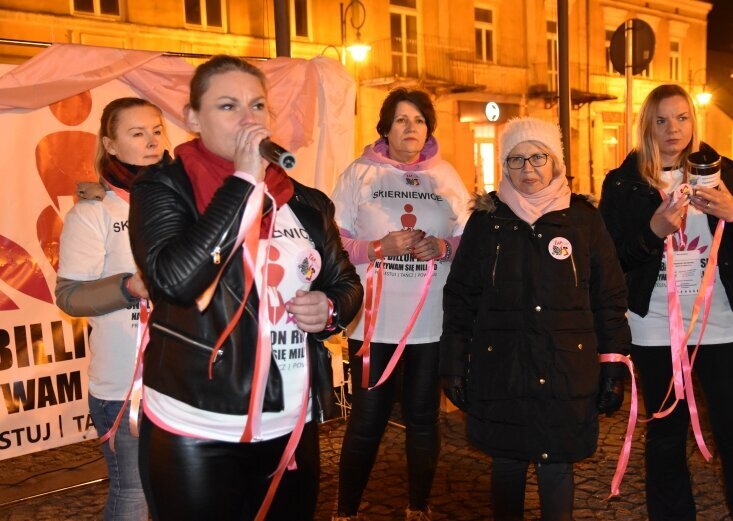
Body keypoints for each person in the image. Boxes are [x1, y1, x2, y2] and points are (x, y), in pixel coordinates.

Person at [127, 55, 363, 521]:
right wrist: (243, 181)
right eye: (229, 106)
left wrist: (331, 309)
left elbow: (345, 283)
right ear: (193, 118)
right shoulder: (162, 187)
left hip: (291, 420)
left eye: (257, 105)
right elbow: (175, 282)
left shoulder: (306, 202)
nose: (249, 118)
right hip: (197, 425)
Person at [599, 84, 733, 520]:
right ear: (647, 126)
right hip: (655, 326)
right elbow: (611, 261)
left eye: (681, 118)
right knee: (664, 436)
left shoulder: (723, 172)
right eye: (661, 120)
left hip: (722, 323)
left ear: (693, 123)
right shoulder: (624, 183)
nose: (672, 129)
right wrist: (652, 233)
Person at [440, 117, 631, 521]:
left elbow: (609, 297)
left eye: (538, 157)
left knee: (556, 461)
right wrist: (455, 366)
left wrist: (613, 366)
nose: (528, 170)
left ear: (556, 162)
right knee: (507, 460)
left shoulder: (584, 220)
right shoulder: (487, 221)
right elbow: (460, 299)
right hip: (502, 366)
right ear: (504, 166)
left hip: (567, 367)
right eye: (516, 159)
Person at [330, 88, 470, 521]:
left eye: (419, 120)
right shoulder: (359, 174)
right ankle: (346, 510)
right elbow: (333, 242)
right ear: (386, 128)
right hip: (375, 320)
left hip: (430, 320)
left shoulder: (446, 175)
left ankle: (418, 506)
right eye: (402, 120)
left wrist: (443, 247)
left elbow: (470, 241)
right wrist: (377, 246)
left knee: (425, 417)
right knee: (368, 417)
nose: (411, 128)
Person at [56, 96, 171, 520]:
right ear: (111, 144)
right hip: (124, 387)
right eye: (137, 133)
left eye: (157, 130)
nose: (152, 141)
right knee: (134, 497)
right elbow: (69, 296)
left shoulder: (182, 202)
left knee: (175, 495)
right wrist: (129, 286)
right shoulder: (94, 212)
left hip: (184, 380)